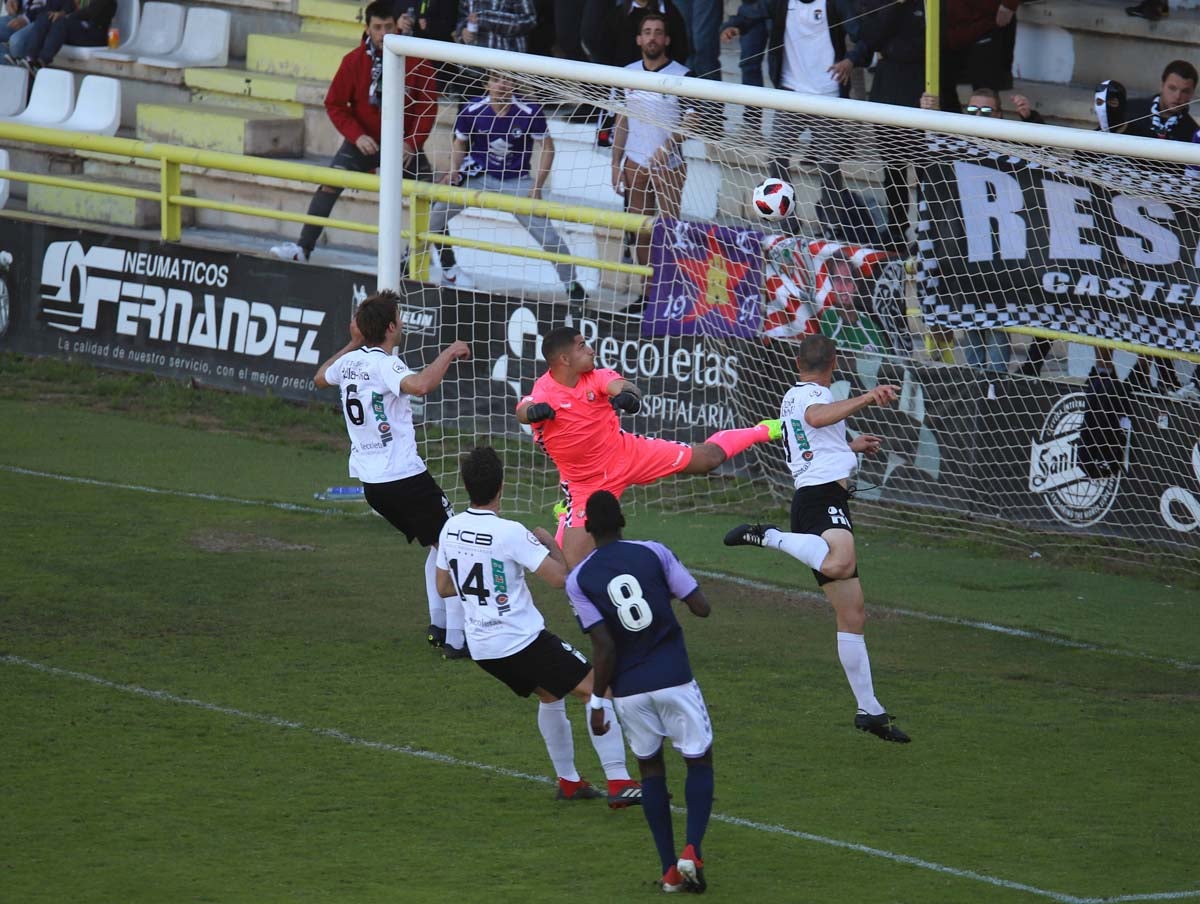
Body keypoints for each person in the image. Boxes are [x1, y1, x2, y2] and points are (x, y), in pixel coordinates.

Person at [723, 334, 911, 743]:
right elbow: (816, 419)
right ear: (835, 362)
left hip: (823, 495)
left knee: (853, 614)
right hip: (819, 497)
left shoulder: (800, 394)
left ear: (797, 361)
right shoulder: (810, 397)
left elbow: (814, 437)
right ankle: (766, 536)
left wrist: (851, 447)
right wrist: (867, 397)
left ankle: (870, 710)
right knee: (839, 562)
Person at [435, 447, 644, 807]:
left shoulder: (451, 527)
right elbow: (562, 579)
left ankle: (569, 782)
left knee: (550, 694)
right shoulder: (510, 533)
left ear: (467, 486)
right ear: (501, 486)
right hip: (520, 641)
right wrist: (550, 543)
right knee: (599, 689)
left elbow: (443, 586)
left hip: (482, 647)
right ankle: (619, 782)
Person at [517, 326, 782, 568]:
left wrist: (628, 396)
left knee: (708, 459)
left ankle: (763, 430)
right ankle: (566, 512)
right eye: (582, 346)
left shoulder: (596, 376)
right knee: (569, 569)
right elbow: (523, 409)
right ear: (564, 359)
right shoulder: (545, 390)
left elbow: (623, 385)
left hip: (627, 453)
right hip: (586, 483)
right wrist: (534, 411)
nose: (590, 349)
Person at [569, 490, 714, 893]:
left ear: (588, 529)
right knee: (699, 760)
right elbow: (701, 607)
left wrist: (598, 702)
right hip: (674, 678)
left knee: (651, 769)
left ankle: (670, 871)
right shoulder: (654, 552)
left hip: (630, 691)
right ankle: (693, 850)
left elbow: (605, 645)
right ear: (623, 521)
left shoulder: (579, 578)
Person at [313, 290, 473, 655]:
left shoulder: (351, 362)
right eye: (398, 319)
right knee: (452, 544)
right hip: (403, 478)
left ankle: (439, 625)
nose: (401, 324)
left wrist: (352, 343)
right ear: (389, 327)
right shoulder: (384, 364)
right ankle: (457, 641)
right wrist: (448, 352)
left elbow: (321, 377)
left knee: (438, 545)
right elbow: (421, 386)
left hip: (373, 485)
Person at [270, 1, 438, 264]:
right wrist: (357, 135)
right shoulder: (353, 61)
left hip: (404, 148)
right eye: (377, 28)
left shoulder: (418, 60)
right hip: (363, 143)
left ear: (399, 26)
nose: (384, 34)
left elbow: (428, 107)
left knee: (431, 197)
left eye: (388, 27)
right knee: (328, 183)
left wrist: (412, 143)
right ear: (367, 29)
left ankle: (447, 268)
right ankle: (302, 249)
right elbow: (334, 104)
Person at [425, 69, 588, 304]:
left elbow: (548, 148)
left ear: (513, 85)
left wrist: (537, 186)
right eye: (496, 79)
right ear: (486, 84)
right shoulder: (472, 109)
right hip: (478, 175)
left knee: (549, 236)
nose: (501, 85)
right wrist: (454, 171)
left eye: (507, 80)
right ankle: (408, 259)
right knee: (434, 216)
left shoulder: (529, 111)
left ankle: (571, 284)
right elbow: (460, 142)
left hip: (516, 180)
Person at [611, 13, 696, 268]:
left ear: (667, 39)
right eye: (647, 32)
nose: (652, 37)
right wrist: (615, 164)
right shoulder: (627, 74)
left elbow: (693, 120)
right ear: (639, 39)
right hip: (634, 162)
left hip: (669, 165)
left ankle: (667, 291)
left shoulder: (684, 75)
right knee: (640, 230)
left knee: (669, 230)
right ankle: (647, 295)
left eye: (658, 32)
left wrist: (667, 147)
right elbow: (621, 121)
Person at [9, 0, 113, 68]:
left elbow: (91, 12)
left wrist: (67, 15)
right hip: (76, 27)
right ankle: (30, 59)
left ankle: (41, 62)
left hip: (94, 32)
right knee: (46, 16)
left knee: (61, 23)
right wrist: (61, 13)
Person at [1121, 60, 1197, 143]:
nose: (1178, 96)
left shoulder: (1192, 132)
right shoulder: (1130, 108)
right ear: (1161, 85)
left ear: (1192, 94)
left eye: (1185, 91)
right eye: (1172, 88)